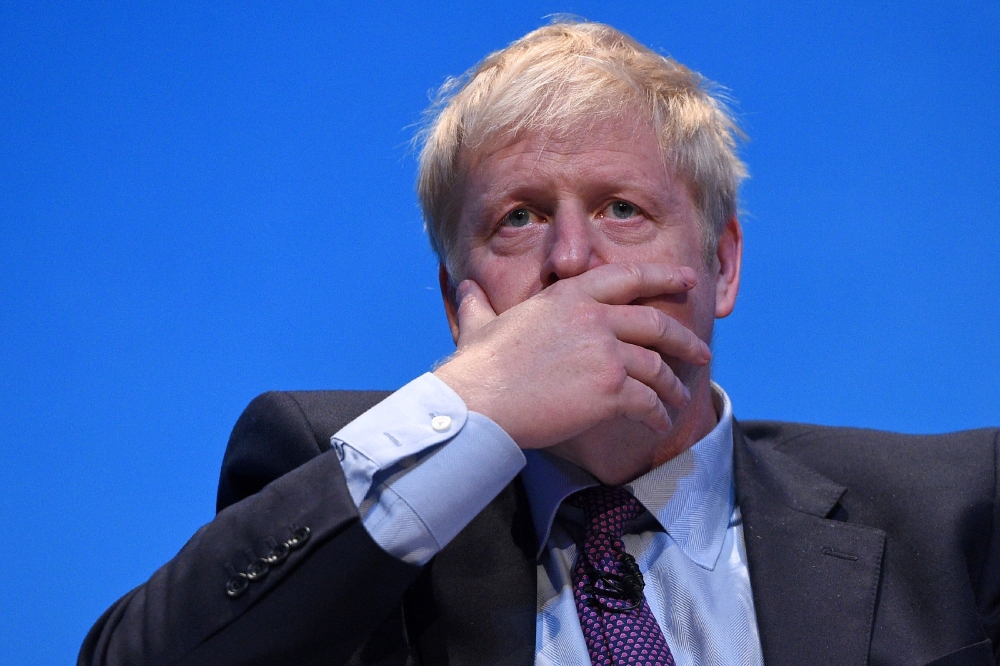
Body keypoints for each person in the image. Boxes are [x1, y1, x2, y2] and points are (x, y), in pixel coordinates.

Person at [80, 20, 1000, 666]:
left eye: (623, 209)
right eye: (518, 220)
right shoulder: (341, 486)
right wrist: (468, 404)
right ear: (457, 302)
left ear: (721, 266)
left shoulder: (957, 514)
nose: (571, 260)